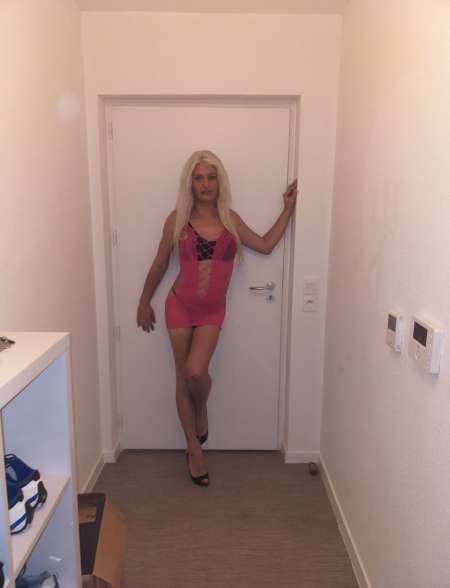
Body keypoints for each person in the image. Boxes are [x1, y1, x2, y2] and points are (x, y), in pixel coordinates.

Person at [137, 150, 297, 487]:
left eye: (211, 177)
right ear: (190, 184)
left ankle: (201, 405)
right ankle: (193, 448)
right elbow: (160, 263)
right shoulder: (176, 220)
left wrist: (287, 210)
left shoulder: (230, 220)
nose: (206, 184)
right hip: (178, 305)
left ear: (219, 182)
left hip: (211, 311)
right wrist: (143, 301)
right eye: (199, 178)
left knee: (196, 372)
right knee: (182, 376)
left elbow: (266, 245)